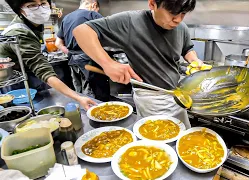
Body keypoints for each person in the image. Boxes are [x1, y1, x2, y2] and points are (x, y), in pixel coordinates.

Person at [73, 0, 204, 128]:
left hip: (178, 95)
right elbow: (81, 31)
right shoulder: (131, 22)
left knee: (183, 136)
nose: (178, 20)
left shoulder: (181, 27)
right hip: (150, 100)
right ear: (152, 4)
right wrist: (108, 63)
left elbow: (187, 49)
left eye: (183, 14)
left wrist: (194, 60)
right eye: (173, 13)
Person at [0, 0, 96, 110]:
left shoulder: (32, 25)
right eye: (32, 5)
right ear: (20, 10)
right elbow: (43, 70)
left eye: (43, 3)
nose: (40, 8)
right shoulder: (20, 32)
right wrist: (78, 98)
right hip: (16, 89)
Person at [55, 0, 104, 98]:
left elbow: (58, 43)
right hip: (89, 61)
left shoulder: (66, 18)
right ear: (94, 5)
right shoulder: (93, 14)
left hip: (73, 60)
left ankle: (82, 111)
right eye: (97, 10)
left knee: (79, 91)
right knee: (93, 92)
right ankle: (94, 112)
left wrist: (71, 53)